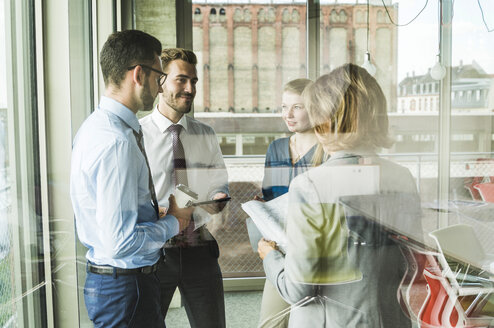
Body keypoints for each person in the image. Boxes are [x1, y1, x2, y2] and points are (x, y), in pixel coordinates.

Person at [257, 63, 421, 327]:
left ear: (324, 120)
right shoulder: (402, 177)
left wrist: (271, 257)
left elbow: (299, 290)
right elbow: (411, 265)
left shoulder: (311, 185)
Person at [70, 30, 192, 328]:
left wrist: (151, 215)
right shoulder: (118, 142)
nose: (160, 85)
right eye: (158, 77)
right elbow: (120, 242)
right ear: (139, 74)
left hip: (117, 286)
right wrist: (175, 221)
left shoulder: (96, 125)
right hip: (126, 290)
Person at [140, 48, 229, 328]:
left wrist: (218, 196)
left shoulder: (206, 134)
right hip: (156, 251)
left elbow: (218, 181)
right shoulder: (137, 135)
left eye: (194, 81)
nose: (190, 89)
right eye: (181, 80)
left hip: (199, 247)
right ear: (161, 82)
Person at [259, 78, 324, 327]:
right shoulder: (275, 148)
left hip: (315, 255)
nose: (288, 114)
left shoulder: (327, 151)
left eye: (297, 107)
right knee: (270, 323)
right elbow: (269, 194)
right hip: (281, 251)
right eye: (284, 107)